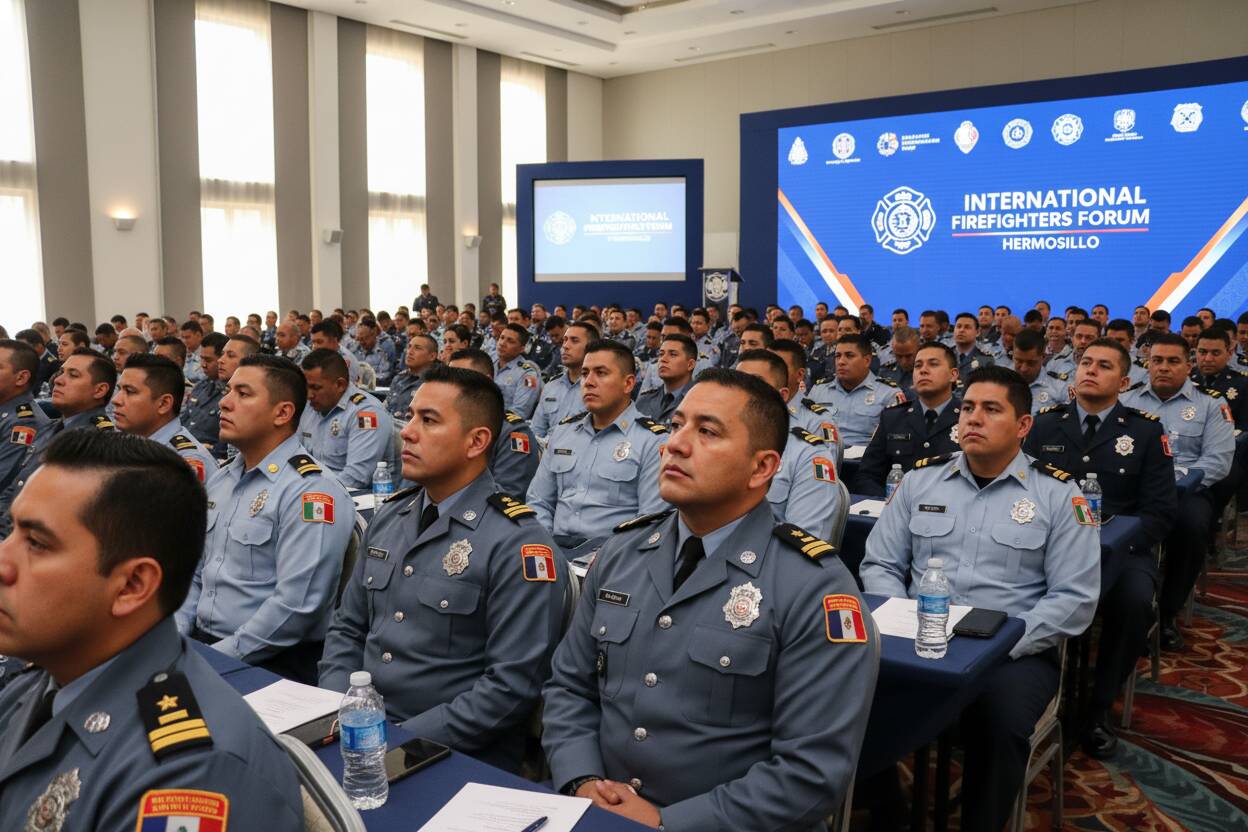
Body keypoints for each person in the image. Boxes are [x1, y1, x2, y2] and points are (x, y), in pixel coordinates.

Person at [541, 368, 878, 830]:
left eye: (707, 431)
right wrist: (581, 780)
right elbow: (568, 689)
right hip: (598, 810)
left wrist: (666, 823)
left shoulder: (814, 586)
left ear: (762, 468)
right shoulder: (622, 553)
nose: (674, 444)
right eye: (677, 424)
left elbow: (811, 772)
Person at [0, 430, 303, 829]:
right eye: (12, 533)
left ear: (131, 586)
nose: (4, 563)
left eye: (37, 543)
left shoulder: (191, 774)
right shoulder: (43, 680)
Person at [862, 365, 1100, 832]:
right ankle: (888, 815)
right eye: (968, 407)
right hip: (917, 637)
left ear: (1023, 426)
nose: (973, 418)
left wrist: (996, 644)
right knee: (848, 694)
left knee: (999, 720)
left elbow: (1074, 597)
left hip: (1012, 653)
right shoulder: (919, 482)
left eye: (991, 410)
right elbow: (880, 565)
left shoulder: (1058, 494)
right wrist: (906, 620)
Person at [320, 365, 562, 771]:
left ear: (476, 441)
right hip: (358, 730)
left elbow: (509, 688)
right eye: (411, 415)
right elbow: (347, 627)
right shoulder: (392, 516)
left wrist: (397, 742)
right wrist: (337, 709)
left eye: (428, 420)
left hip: (450, 752)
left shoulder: (517, 543)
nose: (407, 432)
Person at [1024, 337, 1176, 758]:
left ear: (1124, 381)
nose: (1090, 370)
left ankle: (1098, 706)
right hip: (1049, 546)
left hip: (1121, 552)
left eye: (1104, 365)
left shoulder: (1145, 431)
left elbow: (1160, 513)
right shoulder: (1045, 424)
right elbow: (1023, 492)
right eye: (1085, 362)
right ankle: (1030, 698)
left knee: (1133, 603)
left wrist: (1119, 546)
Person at [176, 355, 352, 682]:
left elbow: (296, 608)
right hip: (206, 647)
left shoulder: (310, 491)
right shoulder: (223, 480)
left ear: (282, 413)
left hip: (271, 661)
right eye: (228, 392)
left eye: (243, 394)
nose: (225, 403)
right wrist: (177, 639)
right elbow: (196, 574)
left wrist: (211, 661)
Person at [1122, 332, 1235, 650]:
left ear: (1189, 366)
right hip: (1133, 490)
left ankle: (1167, 613)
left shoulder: (1212, 405)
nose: (1163, 367)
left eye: (1173, 361)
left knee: (1192, 527)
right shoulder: (1127, 401)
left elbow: (1218, 461)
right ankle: (1121, 604)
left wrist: (1175, 485)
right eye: (1157, 360)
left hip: (1185, 492)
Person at [526, 340, 668, 556]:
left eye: (601, 373)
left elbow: (649, 521)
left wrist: (604, 560)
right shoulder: (563, 432)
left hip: (612, 558)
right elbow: (539, 500)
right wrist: (545, 549)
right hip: (553, 550)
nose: (588, 382)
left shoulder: (652, 440)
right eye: (585, 373)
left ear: (628, 384)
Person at [0, 349, 115, 538]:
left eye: (73, 375)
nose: (58, 380)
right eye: (62, 372)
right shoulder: (49, 429)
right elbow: (14, 488)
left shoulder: (96, 440)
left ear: (99, 390)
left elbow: (59, 516)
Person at [736, 350, 844, 540]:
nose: (742, 393)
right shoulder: (710, 447)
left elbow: (800, 547)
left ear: (782, 396)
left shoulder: (808, 457)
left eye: (755, 384)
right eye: (736, 384)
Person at [852, 342, 962, 496]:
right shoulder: (893, 418)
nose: (923, 370)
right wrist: (889, 506)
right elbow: (868, 475)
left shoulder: (967, 418)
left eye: (933, 364)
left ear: (953, 374)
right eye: (918, 366)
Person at [111, 353, 220, 487]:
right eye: (119, 389)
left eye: (130, 391)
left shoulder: (182, 464)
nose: (115, 400)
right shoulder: (136, 443)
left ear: (163, 404)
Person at [447, 348, 542, 497]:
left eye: (461, 379)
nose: (451, 386)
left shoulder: (513, 433)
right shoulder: (442, 424)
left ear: (486, 381)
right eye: (448, 380)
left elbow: (506, 496)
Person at [298, 348, 395, 490]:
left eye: (315, 388)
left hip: (354, 499)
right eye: (305, 387)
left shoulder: (366, 413)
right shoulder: (309, 406)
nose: (309, 395)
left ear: (340, 385)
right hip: (312, 488)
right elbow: (294, 453)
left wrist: (305, 492)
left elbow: (356, 478)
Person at [807, 334, 905, 446]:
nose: (841, 362)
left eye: (849, 356)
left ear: (867, 361)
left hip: (866, 460)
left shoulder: (889, 394)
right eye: (838, 356)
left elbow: (899, 438)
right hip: (824, 458)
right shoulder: (819, 390)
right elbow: (804, 428)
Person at [533, 321, 597, 440]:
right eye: (565, 340)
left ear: (591, 347)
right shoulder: (551, 386)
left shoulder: (599, 387)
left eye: (574, 340)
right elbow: (537, 431)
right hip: (547, 452)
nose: (565, 346)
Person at [634, 333, 696, 425]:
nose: (663, 359)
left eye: (673, 355)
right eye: (661, 354)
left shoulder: (699, 404)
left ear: (690, 364)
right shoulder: (644, 400)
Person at [182, 332, 228, 450]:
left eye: (208, 360)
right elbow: (183, 422)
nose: (203, 365)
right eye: (201, 359)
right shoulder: (200, 386)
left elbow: (226, 446)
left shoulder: (230, 393)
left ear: (222, 359)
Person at [1010, 329, 1071, 413]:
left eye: (1031, 363)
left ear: (1043, 357)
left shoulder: (1060, 388)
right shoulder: (1000, 382)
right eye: (1019, 361)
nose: (1024, 368)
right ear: (1013, 355)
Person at [494, 323, 543, 419]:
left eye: (510, 341)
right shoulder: (489, 362)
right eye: (502, 337)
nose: (502, 343)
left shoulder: (528, 374)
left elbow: (519, 412)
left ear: (521, 349)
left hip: (504, 426)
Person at [387, 333, 439, 422]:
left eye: (417, 348)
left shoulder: (435, 383)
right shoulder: (399, 378)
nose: (410, 352)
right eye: (409, 346)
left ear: (432, 356)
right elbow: (386, 408)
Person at [352, 316, 396, 386]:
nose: (361, 342)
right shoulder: (355, 350)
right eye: (359, 339)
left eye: (365, 338)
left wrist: (366, 380)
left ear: (374, 334)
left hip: (377, 388)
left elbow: (385, 374)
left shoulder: (384, 348)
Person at [876, 325, 919, 394]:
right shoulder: (884, 373)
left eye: (908, 356)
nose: (903, 362)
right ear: (892, 350)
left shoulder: (928, 374)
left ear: (918, 350)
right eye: (898, 356)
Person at [950, 312, 995, 376]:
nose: (961, 330)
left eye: (967, 327)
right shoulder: (945, 355)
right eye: (958, 326)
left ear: (977, 332)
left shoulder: (986, 359)